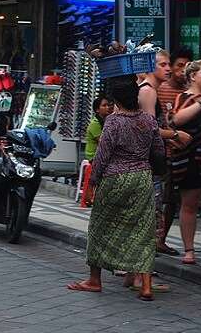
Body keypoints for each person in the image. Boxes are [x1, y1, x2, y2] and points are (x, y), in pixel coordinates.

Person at [67, 76, 165, 301]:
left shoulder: (113, 121)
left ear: (116, 100)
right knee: (143, 230)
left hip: (115, 179)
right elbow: (159, 150)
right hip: (142, 178)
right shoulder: (149, 120)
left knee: (100, 227)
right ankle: (146, 285)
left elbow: (101, 157)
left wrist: (91, 184)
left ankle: (94, 279)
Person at [139, 49, 191, 256]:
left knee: (156, 209)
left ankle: (139, 274)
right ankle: (141, 274)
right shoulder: (149, 90)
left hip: (155, 161)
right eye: (163, 65)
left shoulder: (151, 89)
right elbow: (150, 129)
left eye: (168, 64)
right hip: (148, 162)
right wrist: (175, 135)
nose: (168, 68)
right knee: (149, 214)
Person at [171, 60, 201, 265]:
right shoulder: (183, 98)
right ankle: (189, 249)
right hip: (189, 158)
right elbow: (175, 120)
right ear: (193, 76)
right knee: (189, 205)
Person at [157, 46, 193, 251]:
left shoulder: (190, 92)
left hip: (183, 154)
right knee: (161, 197)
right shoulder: (160, 90)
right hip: (164, 152)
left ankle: (161, 239)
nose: (182, 70)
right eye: (179, 65)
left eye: (187, 66)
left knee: (173, 200)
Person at [85, 95, 114, 161]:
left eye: (108, 105)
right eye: (104, 106)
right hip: (94, 156)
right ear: (97, 110)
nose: (108, 107)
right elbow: (104, 142)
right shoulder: (95, 124)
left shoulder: (106, 121)